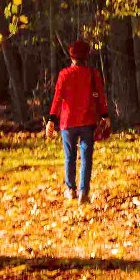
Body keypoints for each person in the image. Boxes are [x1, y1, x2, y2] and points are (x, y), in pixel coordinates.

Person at [44, 39, 110, 203]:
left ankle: (70, 189)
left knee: (69, 156)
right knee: (87, 156)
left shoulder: (64, 74)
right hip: (88, 121)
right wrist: (105, 115)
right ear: (87, 56)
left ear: (71, 56)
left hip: (67, 122)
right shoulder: (93, 74)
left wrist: (52, 119)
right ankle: (84, 192)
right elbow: (101, 97)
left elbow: (58, 98)